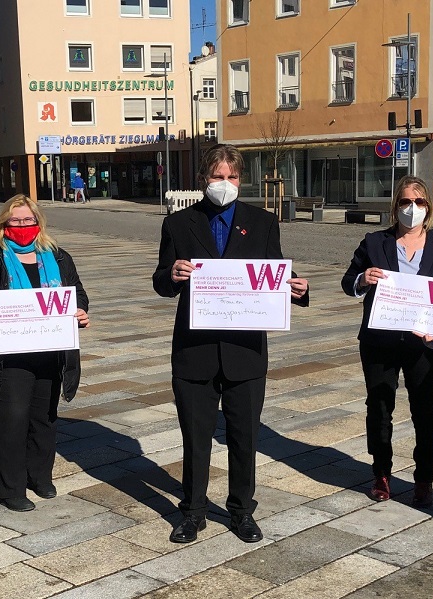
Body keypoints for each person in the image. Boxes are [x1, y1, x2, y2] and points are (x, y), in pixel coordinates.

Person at [152, 144, 309, 544]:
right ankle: (193, 512)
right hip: (195, 351)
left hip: (245, 351)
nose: (225, 183)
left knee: (244, 437)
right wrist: (172, 274)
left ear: (241, 179)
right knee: (195, 437)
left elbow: (274, 271)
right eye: (217, 176)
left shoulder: (262, 222)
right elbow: (161, 282)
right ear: (203, 179)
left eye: (232, 177)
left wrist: (296, 289)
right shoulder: (179, 223)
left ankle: (242, 511)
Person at [0, 194, 90, 512]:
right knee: (12, 418)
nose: (21, 226)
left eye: (27, 220)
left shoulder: (58, 257)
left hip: (50, 350)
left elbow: (77, 293)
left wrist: (79, 311)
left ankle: (39, 476)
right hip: (8, 355)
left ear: (38, 222)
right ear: (4, 224)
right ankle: (9, 487)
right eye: (15, 221)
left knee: (44, 418)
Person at [340, 175, 433, 509]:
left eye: (419, 202)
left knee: (426, 410)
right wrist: (362, 279)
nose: (412, 208)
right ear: (396, 206)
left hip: (424, 344)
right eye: (406, 201)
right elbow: (348, 281)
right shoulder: (374, 242)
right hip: (380, 340)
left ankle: (424, 478)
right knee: (379, 406)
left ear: (428, 207)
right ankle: (381, 473)